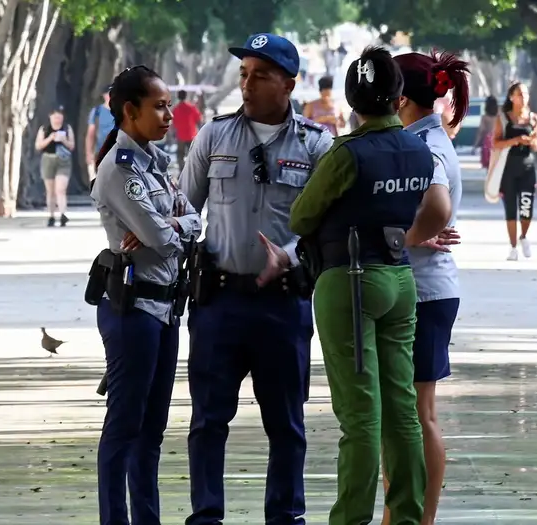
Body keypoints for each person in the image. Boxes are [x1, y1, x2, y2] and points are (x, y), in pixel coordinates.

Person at [288, 46, 453, 525]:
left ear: (352, 100)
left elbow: (302, 216)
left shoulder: (348, 153)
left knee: (361, 415)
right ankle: (406, 514)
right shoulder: (419, 151)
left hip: (350, 281)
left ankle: (351, 518)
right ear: (397, 96)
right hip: (400, 279)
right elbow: (431, 209)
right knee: (402, 406)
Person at [179, 32, 334, 525]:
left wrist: (289, 256)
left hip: (283, 307)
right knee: (207, 421)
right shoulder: (213, 136)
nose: (247, 84)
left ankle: (285, 517)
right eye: (244, 74)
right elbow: (184, 209)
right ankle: (206, 515)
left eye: (260, 75)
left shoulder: (317, 146)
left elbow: (329, 226)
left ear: (288, 84)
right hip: (219, 302)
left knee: (286, 425)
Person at [89, 65, 203, 525]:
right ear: (129, 111)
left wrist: (170, 227)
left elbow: (191, 224)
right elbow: (164, 237)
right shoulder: (119, 171)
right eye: (158, 106)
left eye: (169, 105)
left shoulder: (158, 162)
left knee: (151, 432)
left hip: (166, 310)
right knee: (123, 428)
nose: (168, 115)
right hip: (132, 309)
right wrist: (170, 228)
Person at [380, 49, 469, 525]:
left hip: (424, 291)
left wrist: (403, 239)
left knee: (417, 413)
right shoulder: (423, 135)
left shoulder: (425, 145)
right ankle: (403, 513)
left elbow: (437, 208)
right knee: (406, 413)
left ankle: (416, 517)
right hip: (422, 287)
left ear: (399, 97)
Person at [493, 81, 537, 261]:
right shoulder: (503, 118)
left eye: (526, 94)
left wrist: (532, 140)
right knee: (510, 209)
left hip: (528, 168)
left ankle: (524, 236)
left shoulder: (535, 119)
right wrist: (515, 141)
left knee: (526, 207)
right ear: (511, 97)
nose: (524, 98)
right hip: (508, 169)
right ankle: (513, 246)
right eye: (520, 94)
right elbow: (495, 143)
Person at [36, 107, 75, 227]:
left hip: (63, 161)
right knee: (50, 191)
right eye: (55, 117)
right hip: (48, 159)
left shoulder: (67, 128)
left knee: (60, 189)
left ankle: (63, 214)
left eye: (60, 117)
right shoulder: (44, 129)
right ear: (50, 117)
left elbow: (72, 146)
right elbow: (38, 146)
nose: (58, 119)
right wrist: (50, 138)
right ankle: (51, 215)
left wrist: (64, 140)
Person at [86, 86, 116, 177]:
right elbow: (90, 134)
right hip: (101, 151)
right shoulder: (97, 111)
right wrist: (89, 153)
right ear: (104, 95)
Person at [172, 90, 203, 169]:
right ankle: (192, 170)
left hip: (181, 136)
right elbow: (198, 119)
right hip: (191, 135)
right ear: (186, 96)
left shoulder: (176, 109)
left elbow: (174, 123)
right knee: (192, 155)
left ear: (178, 96)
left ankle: (181, 170)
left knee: (180, 154)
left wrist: (173, 133)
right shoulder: (192, 107)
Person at [475, 96, 499, 170]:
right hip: (498, 140)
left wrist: (475, 144)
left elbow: (481, 131)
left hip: (488, 142)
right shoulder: (499, 116)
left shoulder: (485, 117)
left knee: (489, 166)